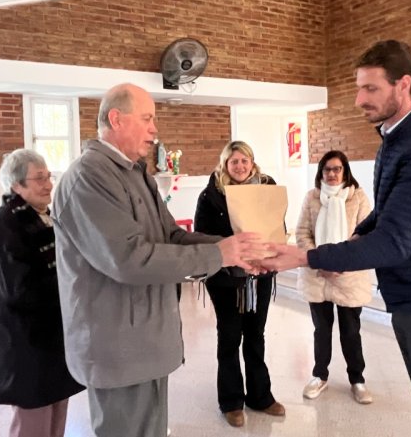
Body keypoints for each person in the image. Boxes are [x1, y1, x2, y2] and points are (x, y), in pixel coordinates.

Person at [260, 40, 411, 437]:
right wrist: (352, 242)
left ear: (404, 85)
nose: (360, 99)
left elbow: (396, 241)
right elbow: (389, 211)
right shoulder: (396, 135)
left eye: (371, 89)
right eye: (358, 88)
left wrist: (306, 257)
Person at [51, 83, 262, 437]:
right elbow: (129, 259)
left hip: (147, 341)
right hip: (117, 347)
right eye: (147, 118)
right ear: (116, 119)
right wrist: (217, 254)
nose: (154, 129)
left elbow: (171, 237)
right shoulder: (88, 177)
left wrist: (233, 249)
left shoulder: (136, 173)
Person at [0, 148, 84, 437]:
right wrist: (71, 286)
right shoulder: (4, 224)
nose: (48, 184)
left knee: (56, 414)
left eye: (48, 176)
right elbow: (18, 291)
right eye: (39, 178)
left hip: (50, 341)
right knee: (33, 424)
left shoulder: (43, 217)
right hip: (24, 346)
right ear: (16, 185)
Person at [193, 141, 285, 428]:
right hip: (226, 279)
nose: (240, 166)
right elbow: (201, 236)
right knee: (230, 337)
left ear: (252, 162)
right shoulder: (210, 195)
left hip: (260, 277)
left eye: (244, 161)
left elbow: (277, 225)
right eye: (234, 162)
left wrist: (268, 256)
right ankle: (231, 400)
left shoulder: (267, 187)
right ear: (225, 165)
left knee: (256, 335)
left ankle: (261, 396)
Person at [295, 150, 374, 405]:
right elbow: (302, 233)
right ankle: (320, 375)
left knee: (351, 331)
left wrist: (341, 263)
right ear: (321, 172)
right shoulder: (312, 197)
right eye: (327, 169)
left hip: (349, 275)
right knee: (321, 330)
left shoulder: (358, 197)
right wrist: (319, 261)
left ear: (345, 171)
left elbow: (365, 234)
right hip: (317, 274)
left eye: (336, 169)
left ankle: (357, 380)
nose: (331, 174)